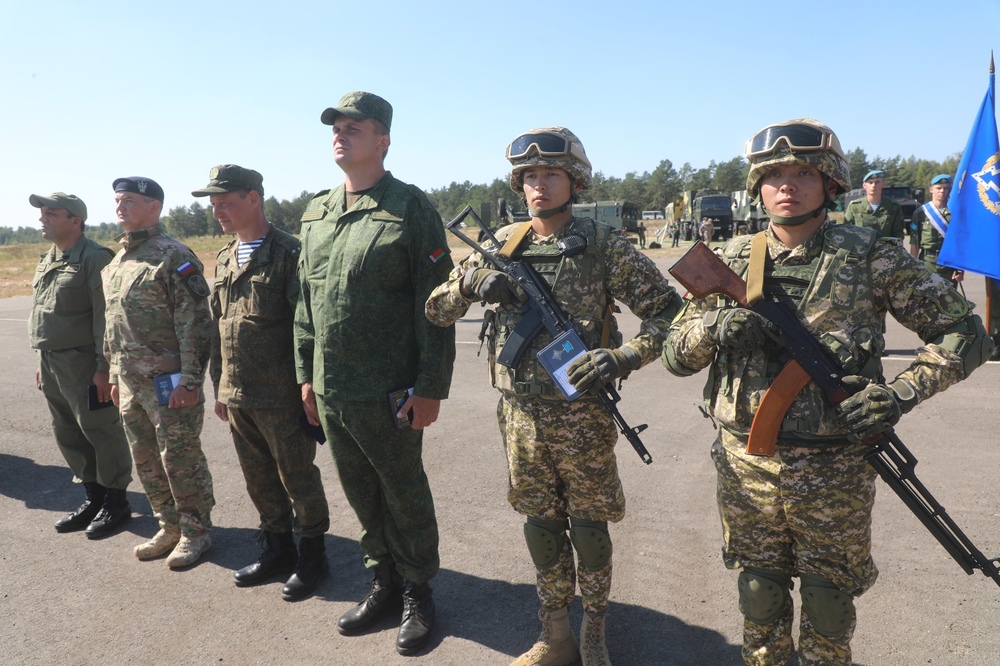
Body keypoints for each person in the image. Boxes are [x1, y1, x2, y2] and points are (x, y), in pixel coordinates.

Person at [662, 119, 992, 666]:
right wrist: (714, 328)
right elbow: (675, 355)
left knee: (829, 601)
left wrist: (901, 393)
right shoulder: (730, 259)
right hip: (747, 463)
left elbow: (966, 334)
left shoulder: (870, 255)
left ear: (830, 182)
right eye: (775, 175)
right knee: (759, 593)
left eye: (803, 174)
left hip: (836, 468)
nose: (787, 185)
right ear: (757, 186)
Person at [426, 127, 682, 666]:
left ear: (575, 182)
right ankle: (555, 632)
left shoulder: (604, 245)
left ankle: (594, 630)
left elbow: (669, 315)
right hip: (520, 415)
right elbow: (436, 308)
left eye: (551, 175)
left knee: (589, 528)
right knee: (541, 526)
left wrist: (624, 356)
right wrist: (472, 284)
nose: (538, 185)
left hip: (582, 413)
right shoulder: (501, 243)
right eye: (529, 176)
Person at [293, 91, 455, 656]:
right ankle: (382, 580)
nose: (340, 134)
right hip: (332, 387)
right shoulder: (316, 213)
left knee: (403, 492)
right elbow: (306, 303)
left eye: (354, 127)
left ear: (383, 140)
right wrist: (306, 375)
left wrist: (430, 387)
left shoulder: (410, 208)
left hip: (390, 388)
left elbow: (436, 306)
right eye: (335, 127)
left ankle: (418, 591)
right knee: (360, 492)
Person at [197, 165, 331, 600]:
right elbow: (220, 326)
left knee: (298, 476)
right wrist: (220, 387)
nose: (218, 212)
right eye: (213, 205)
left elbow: (308, 325)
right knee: (258, 478)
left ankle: (313, 555)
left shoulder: (290, 252)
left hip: (281, 394)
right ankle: (277, 549)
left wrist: (308, 385)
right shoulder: (224, 257)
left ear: (253, 198)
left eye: (225, 202)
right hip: (238, 392)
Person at [102, 177, 216, 568]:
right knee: (146, 458)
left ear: (154, 207)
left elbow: (195, 323)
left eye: (129, 200)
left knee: (180, 458)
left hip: (168, 383)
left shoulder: (173, 256)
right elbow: (112, 325)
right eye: (117, 200)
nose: (120, 207)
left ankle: (196, 531)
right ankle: (168, 525)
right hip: (130, 383)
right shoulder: (117, 262)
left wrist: (190, 380)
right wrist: (114, 375)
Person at [28, 192, 133, 539]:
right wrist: (43, 358)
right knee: (68, 431)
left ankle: (116, 502)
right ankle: (94, 497)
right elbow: (47, 312)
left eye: (51, 213)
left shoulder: (94, 257)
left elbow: (106, 319)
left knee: (101, 429)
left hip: (85, 362)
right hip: (52, 361)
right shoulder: (49, 257)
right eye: (43, 213)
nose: (43, 218)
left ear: (75, 221)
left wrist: (104, 368)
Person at [909, 174, 964, 286]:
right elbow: (914, 244)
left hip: (949, 264)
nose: (942, 191)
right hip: (927, 262)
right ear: (931, 189)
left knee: (948, 296)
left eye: (946, 188)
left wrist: (960, 268)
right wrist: (913, 268)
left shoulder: (956, 212)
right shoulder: (921, 213)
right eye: (939, 188)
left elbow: (960, 242)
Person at [844, 170, 904, 240]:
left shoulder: (893, 206)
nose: (873, 185)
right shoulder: (854, 206)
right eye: (870, 183)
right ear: (864, 185)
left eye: (877, 182)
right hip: (860, 246)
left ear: (883, 184)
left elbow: (898, 234)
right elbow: (846, 231)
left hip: (885, 246)